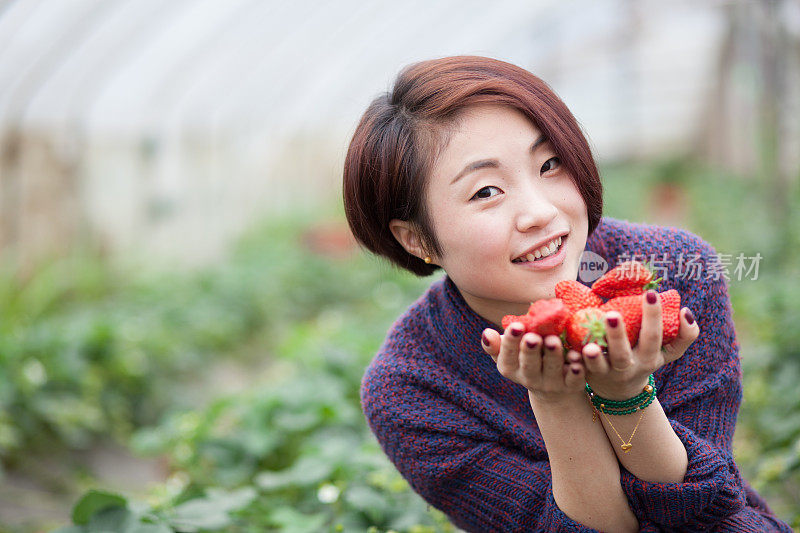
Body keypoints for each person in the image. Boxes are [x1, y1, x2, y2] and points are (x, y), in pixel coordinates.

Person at [342, 56, 792, 532]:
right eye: (486, 191)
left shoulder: (673, 272)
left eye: (550, 164)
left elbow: (707, 511)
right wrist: (556, 400)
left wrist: (625, 392)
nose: (539, 211)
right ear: (417, 239)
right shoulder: (411, 388)